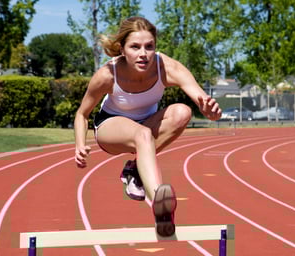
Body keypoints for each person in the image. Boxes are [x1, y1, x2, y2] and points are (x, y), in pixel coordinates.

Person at [74, 16, 222, 237]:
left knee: (183, 112)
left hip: (147, 127)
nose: (143, 54)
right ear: (122, 49)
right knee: (142, 135)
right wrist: (79, 144)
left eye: (149, 46)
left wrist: (211, 112)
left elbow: (202, 99)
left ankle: (135, 170)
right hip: (110, 128)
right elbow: (81, 114)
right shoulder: (107, 75)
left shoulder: (167, 67)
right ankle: (159, 206)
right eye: (135, 47)